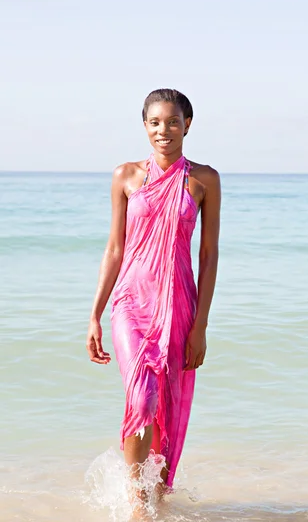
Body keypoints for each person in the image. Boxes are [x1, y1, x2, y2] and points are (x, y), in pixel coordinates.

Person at [86, 88, 221, 498]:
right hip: (131, 302)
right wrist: (94, 314)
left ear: (188, 125)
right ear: (145, 126)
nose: (164, 130)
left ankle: (157, 494)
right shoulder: (125, 176)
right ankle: (136, 500)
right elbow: (114, 248)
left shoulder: (204, 179)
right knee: (142, 399)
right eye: (155, 122)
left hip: (179, 304)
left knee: (168, 406)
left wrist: (200, 326)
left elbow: (209, 255)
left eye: (173, 122)